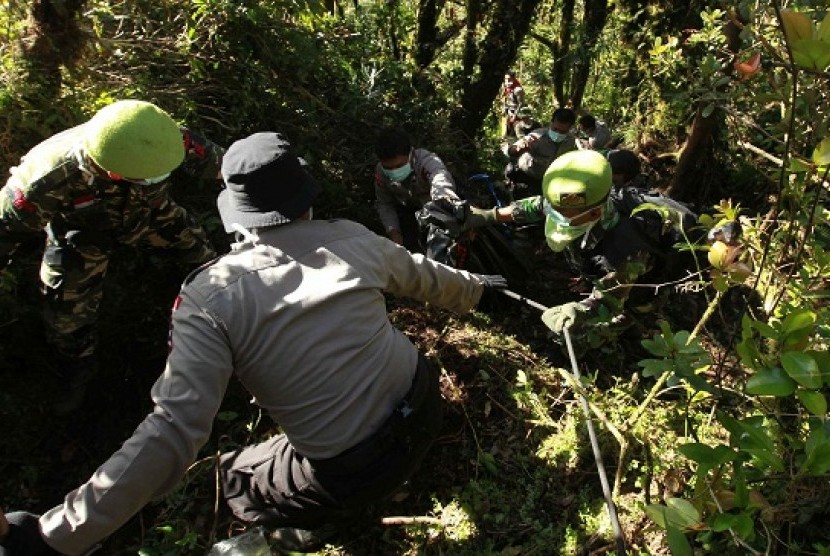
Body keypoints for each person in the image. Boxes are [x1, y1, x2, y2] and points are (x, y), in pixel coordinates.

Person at [0, 132, 507, 556]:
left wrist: (55, 537)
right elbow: (435, 280)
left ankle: (309, 527)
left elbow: (174, 432)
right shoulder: (354, 238)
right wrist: (483, 289)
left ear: (235, 214)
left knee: (228, 474)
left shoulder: (208, 296)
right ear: (307, 196)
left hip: (355, 471)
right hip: (425, 404)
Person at [0, 99, 224, 414]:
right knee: (65, 312)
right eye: (148, 177)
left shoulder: (161, 137)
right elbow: (5, 232)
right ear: (111, 171)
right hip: (81, 239)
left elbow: (223, 167)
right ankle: (78, 363)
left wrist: (272, 180)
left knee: (207, 261)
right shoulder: (45, 179)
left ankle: (218, 309)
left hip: (151, 215)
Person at [463, 150, 702, 343]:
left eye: (565, 214)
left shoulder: (626, 251)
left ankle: (621, 343)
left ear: (595, 212)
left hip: (636, 290)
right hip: (599, 264)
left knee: (597, 327)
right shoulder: (571, 202)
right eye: (555, 210)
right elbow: (534, 207)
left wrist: (580, 310)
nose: (556, 216)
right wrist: (488, 215)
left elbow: (609, 301)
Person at [372, 127, 462, 265]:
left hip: (440, 207)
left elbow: (439, 176)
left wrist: (444, 199)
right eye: (389, 168)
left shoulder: (426, 161)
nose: (394, 171)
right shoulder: (381, 173)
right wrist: (393, 231)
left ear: (411, 154)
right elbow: (385, 204)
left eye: (399, 165)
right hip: (411, 213)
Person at [505, 107, 577, 191]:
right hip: (526, 178)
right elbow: (511, 151)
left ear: (570, 128)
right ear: (552, 123)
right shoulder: (537, 136)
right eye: (555, 129)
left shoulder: (570, 141)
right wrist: (519, 148)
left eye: (562, 132)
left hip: (549, 180)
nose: (558, 134)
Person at [502, 70, 526, 137]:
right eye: (506, 79)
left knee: (517, 133)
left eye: (509, 79)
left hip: (517, 115)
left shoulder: (518, 89)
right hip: (509, 113)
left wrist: (515, 116)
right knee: (508, 134)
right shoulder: (508, 87)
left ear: (513, 78)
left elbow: (521, 104)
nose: (507, 81)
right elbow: (506, 99)